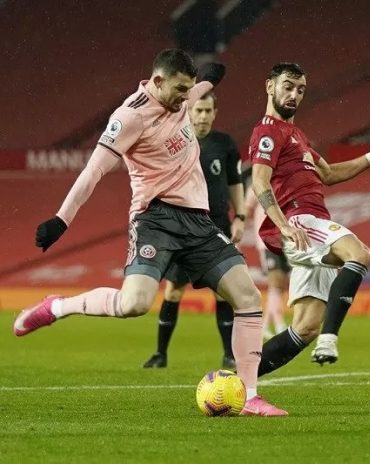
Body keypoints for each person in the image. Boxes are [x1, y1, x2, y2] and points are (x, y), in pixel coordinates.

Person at [14, 49, 287, 416]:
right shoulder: (128, 118)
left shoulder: (181, 95)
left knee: (248, 296)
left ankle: (250, 395)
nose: (185, 99)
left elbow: (198, 86)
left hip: (199, 222)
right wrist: (61, 220)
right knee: (135, 305)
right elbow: (92, 171)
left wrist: (208, 78)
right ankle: (57, 307)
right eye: (179, 90)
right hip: (155, 219)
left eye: (189, 90)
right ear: (157, 82)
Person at [249, 63, 370, 376]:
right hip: (300, 222)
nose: (294, 94)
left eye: (300, 89)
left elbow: (329, 173)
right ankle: (330, 340)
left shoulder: (296, 136)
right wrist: (283, 226)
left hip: (309, 229)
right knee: (359, 254)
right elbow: (259, 181)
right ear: (269, 86)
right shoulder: (268, 131)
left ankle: (238, 381)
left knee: (305, 327)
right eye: (288, 86)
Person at [142, 91, 245, 370]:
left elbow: (235, 182)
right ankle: (160, 354)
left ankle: (229, 354)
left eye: (207, 111)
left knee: (223, 291)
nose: (202, 116)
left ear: (215, 112)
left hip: (217, 226)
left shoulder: (224, 144)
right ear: (189, 112)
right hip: (182, 228)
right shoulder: (175, 142)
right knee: (174, 291)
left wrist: (241, 216)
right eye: (198, 110)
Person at [244, 189, 289, 340]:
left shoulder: (285, 181)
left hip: (285, 239)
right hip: (267, 240)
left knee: (280, 285)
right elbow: (246, 209)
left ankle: (264, 325)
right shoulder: (257, 183)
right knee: (275, 282)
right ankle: (279, 324)